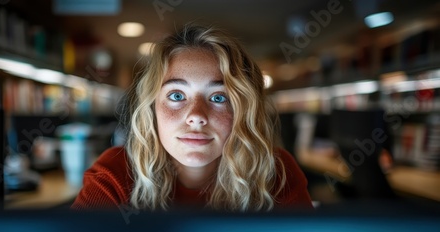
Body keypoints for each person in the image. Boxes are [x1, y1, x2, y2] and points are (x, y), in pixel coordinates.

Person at [72, 24, 313, 211]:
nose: (196, 116)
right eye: (177, 95)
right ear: (151, 107)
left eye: (219, 97)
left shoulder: (277, 173)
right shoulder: (114, 173)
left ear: (243, 110)